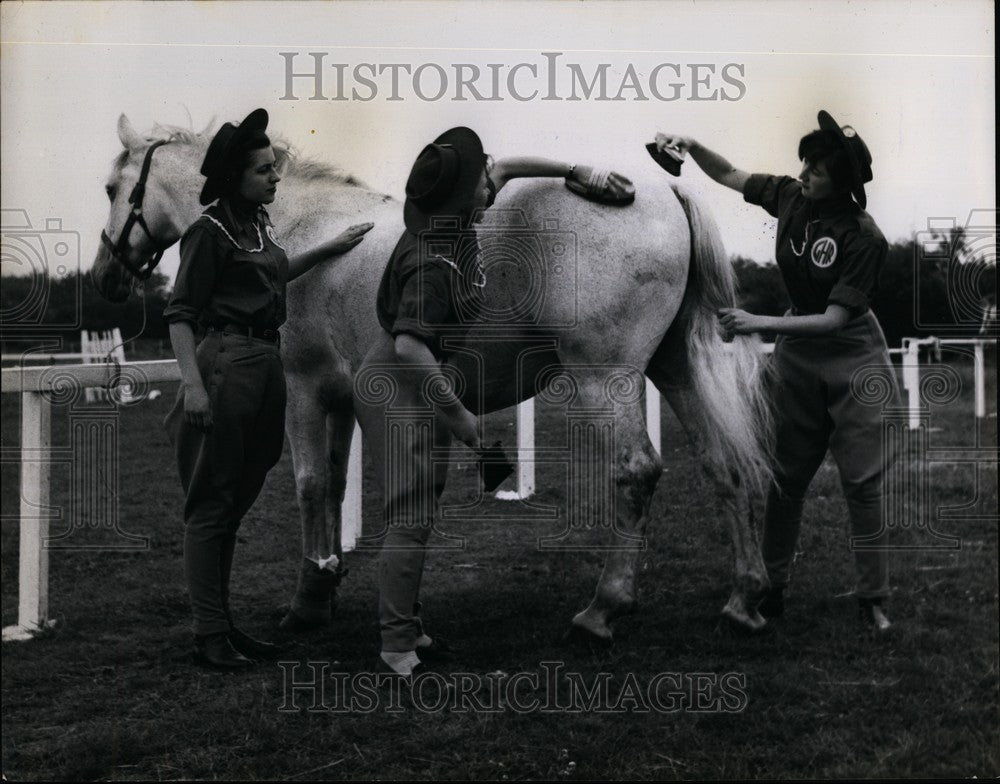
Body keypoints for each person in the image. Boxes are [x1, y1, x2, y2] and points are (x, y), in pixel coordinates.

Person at [354, 127, 634, 678]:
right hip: (403, 383)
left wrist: (574, 170)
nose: (491, 180)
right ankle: (395, 648)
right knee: (408, 516)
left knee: (419, 512)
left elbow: (505, 168)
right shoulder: (434, 257)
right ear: (464, 194)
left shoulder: (455, 221)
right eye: (480, 178)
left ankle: (409, 628)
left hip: (423, 378)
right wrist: (463, 420)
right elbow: (410, 344)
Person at [655, 110, 894, 631]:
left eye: (818, 170)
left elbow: (835, 318)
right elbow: (731, 175)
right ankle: (772, 586)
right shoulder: (789, 196)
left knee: (862, 483)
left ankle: (873, 598)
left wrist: (755, 322)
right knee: (786, 478)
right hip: (798, 359)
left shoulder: (863, 237)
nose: (804, 173)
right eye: (805, 162)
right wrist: (693, 143)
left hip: (854, 357)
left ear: (843, 183)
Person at [163, 108, 373, 668]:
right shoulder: (206, 233)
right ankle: (210, 633)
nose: (276, 177)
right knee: (211, 503)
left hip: (265, 362)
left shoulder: (256, 227)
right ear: (236, 178)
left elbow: (270, 275)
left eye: (274, 169)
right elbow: (181, 313)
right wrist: (194, 386)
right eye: (264, 171)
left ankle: (223, 626)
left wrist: (328, 250)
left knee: (236, 500)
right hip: (225, 363)